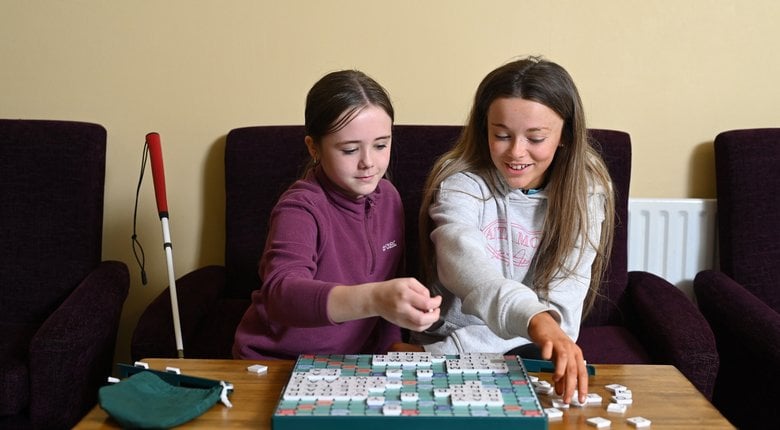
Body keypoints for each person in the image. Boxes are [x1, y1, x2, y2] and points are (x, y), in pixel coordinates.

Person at [409, 56, 615, 404]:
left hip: (484, 349)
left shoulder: (588, 192)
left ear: (565, 134)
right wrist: (535, 320)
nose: (516, 152)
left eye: (536, 138)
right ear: (483, 128)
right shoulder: (459, 184)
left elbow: (561, 319)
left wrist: (539, 327)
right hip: (467, 348)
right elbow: (468, 269)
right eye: (501, 135)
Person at [233, 70, 441, 360]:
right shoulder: (300, 207)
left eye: (381, 145)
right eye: (349, 150)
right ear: (313, 147)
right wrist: (376, 298)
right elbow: (281, 294)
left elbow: (391, 280)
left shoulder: (389, 198)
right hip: (280, 361)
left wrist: (391, 346)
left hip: (352, 363)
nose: (368, 163)